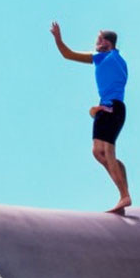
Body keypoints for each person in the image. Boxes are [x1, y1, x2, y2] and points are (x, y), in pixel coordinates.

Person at [50, 21, 132, 213]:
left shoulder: (106, 57)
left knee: (107, 151)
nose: (96, 43)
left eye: (99, 40)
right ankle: (124, 191)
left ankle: (124, 196)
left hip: (111, 107)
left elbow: (68, 54)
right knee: (98, 152)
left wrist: (58, 39)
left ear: (107, 43)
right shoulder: (114, 59)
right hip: (110, 107)